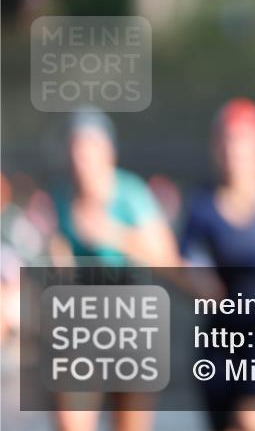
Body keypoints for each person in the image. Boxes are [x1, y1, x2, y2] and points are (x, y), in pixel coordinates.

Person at [50, 107, 180, 431]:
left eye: (90, 148)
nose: (82, 159)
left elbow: (168, 260)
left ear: (108, 151)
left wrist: (112, 234)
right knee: (70, 421)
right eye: (76, 148)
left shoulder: (131, 194)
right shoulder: (63, 196)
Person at [179, 98, 255, 431]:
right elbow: (182, 260)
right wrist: (197, 282)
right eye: (226, 141)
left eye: (241, 142)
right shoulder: (200, 206)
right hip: (218, 338)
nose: (233, 151)